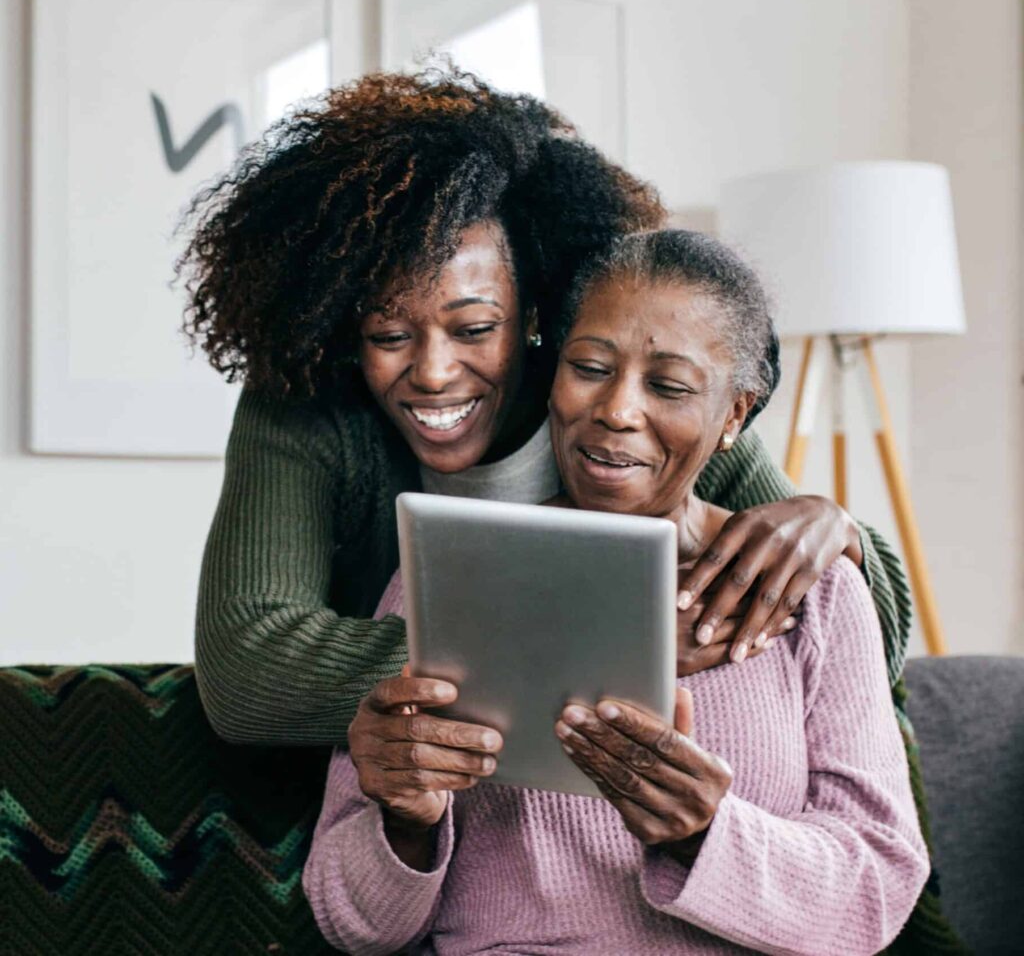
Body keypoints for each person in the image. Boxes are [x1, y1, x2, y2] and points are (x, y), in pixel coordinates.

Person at [179, 68, 911, 748]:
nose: (433, 373)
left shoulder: (638, 407)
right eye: (389, 334)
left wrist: (836, 531)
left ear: (534, 312)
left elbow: (869, 639)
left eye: (474, 329)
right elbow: (249, 675)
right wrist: (605, 643)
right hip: (407, 798)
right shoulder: (310, 401)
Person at [303, 230, 929, 955]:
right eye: (590, 368)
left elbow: (876, 893)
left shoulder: (817, 592)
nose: (617, 410)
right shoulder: (445, 571)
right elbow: (351, 923)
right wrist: (403, 823)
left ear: (733, 415)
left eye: (667, 386)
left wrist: (706, 835)